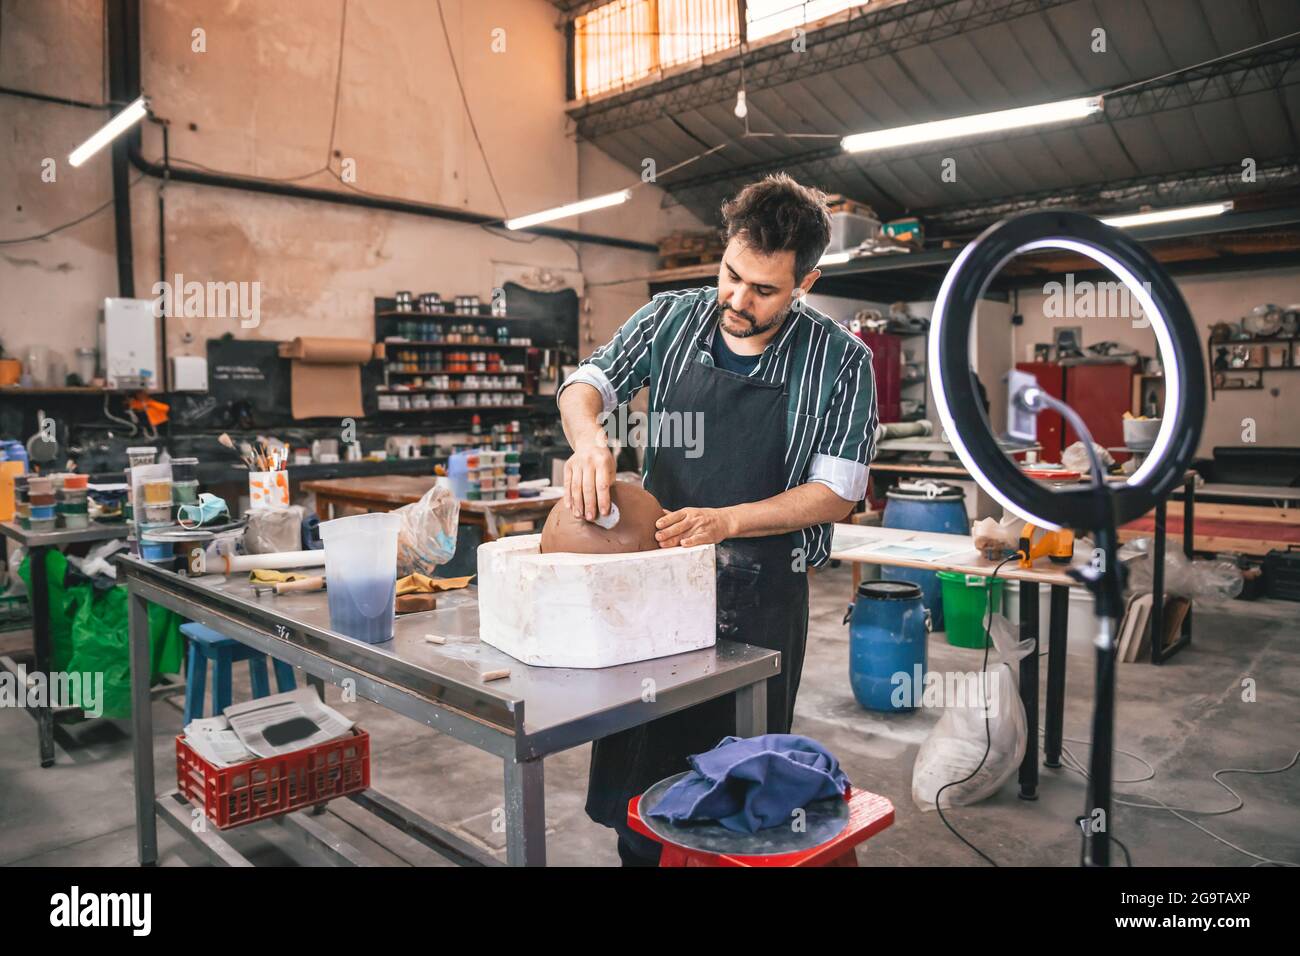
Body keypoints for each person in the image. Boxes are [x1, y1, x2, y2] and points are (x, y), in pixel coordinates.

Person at [556, 173, 879, 866]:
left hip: (762, 601)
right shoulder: (671, 318)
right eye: (732, 275)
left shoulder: (842, 361)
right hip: (654, 595)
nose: (737, 300)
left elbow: (838, 491)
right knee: (639, 794)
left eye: (764, 290)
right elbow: (587, 382)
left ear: (806, 282)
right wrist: (590, 440)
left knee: (735, 794)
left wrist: (727, 521)